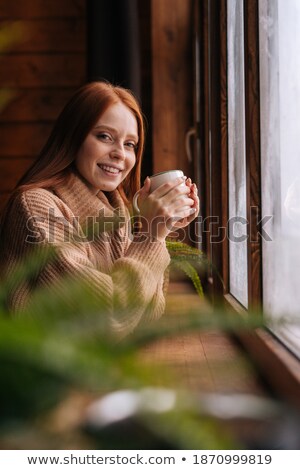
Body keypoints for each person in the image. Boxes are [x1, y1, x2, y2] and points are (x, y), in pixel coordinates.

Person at [0, 82, 199, 337]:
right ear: (74, 137)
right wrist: (150, 235)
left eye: (130, 144)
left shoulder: (115, 211)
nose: (119, 154)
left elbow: (146, 315)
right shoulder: (37, 207)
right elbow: (106, 319)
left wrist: (160, 229)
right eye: (105, 136)